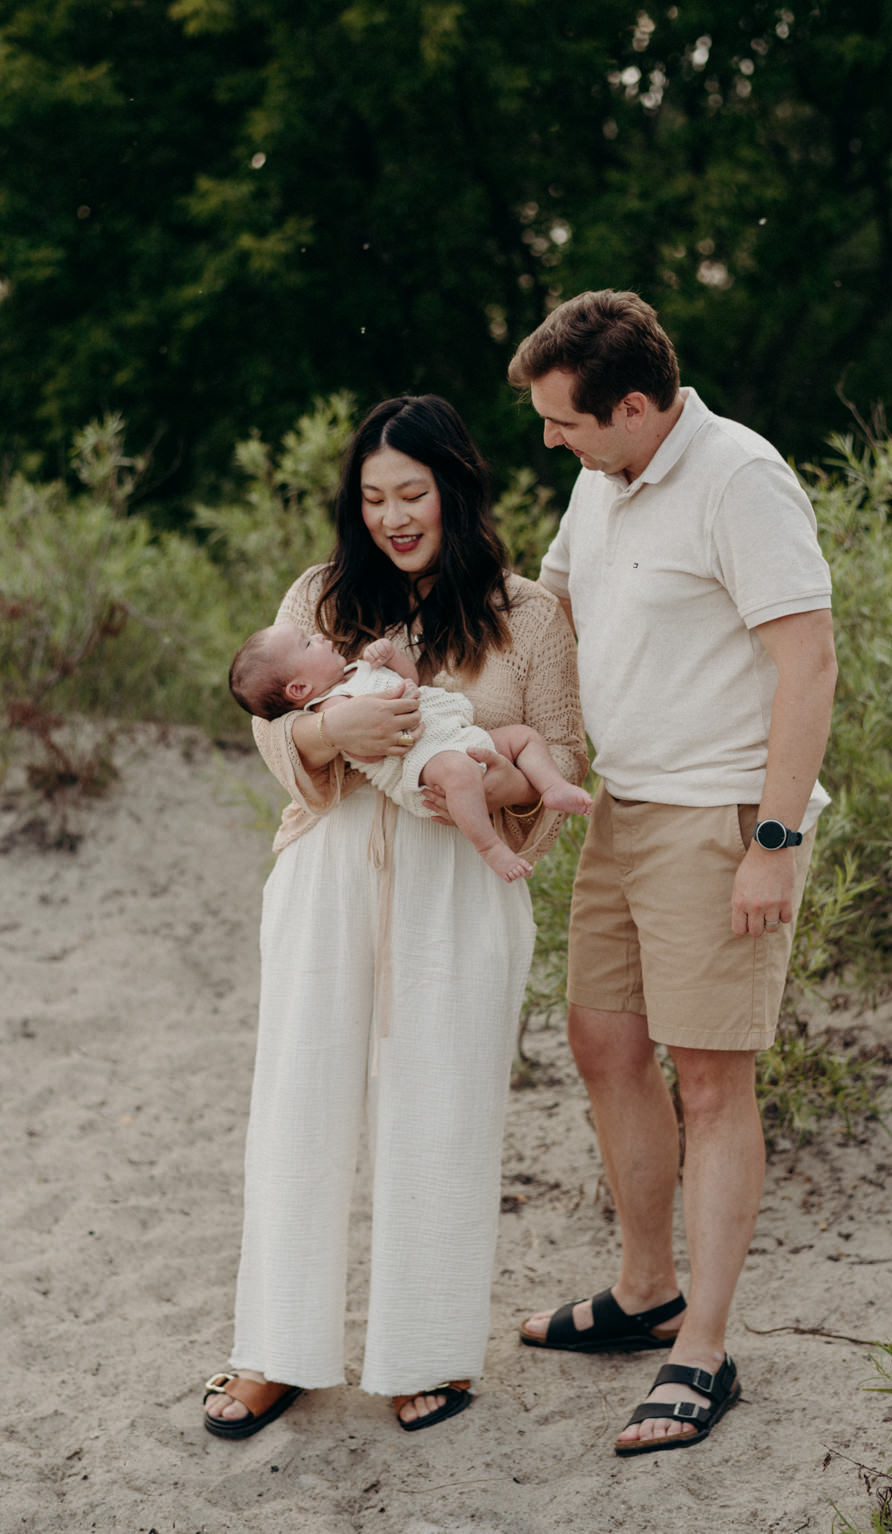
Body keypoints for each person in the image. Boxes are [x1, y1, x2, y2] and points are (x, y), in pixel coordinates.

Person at [203, 394, 587, 1439]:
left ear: (455, 489)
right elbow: (274, 740)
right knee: (299, 1101)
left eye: (412, 492)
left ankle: (423, 1352)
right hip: (328, 871)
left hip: (464, 879)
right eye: (372, 497)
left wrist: (461, 779)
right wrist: (340, 729)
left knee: (443, 1107)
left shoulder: (529, 612)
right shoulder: (320, 595)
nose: (393, 516)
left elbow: (562, 746)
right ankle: (274, 1349)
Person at [506, 291, 837, 1456]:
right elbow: (545, 611)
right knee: (601, 1040)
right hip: (622, 806)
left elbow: (808, 660)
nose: (552, 439)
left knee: (710, 1077)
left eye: (565, 421)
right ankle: (643, 1290)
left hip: (718, 818)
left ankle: (701, 1346)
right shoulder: (600, 478)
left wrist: (774, 840)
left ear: (634, 406)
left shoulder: (739, 477)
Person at [229, 624, 592, 881]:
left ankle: (550, 786)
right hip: (422, 761)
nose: (320, 637)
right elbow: (366, 751)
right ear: (300, 688)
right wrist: (343, 730)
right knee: (460, 773)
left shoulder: (355, 671)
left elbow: (410, 681)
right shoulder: (329, 706)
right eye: (308, 643)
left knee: (523, 737)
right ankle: (489, 846)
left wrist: (389, 657)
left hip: (457, 733)